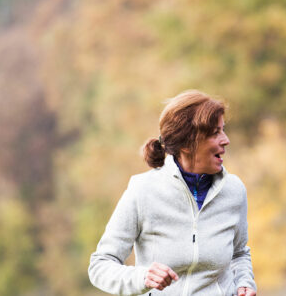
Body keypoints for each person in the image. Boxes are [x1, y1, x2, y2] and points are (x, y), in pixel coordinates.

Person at [89, 90, 256, 296]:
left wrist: (244, 283)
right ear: (187, 144)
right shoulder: (143, 191)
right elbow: (101, 265)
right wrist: (142, 277)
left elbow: (239, 254)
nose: (226, 140)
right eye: (215, 133)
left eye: (223, 130)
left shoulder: (234, 190)